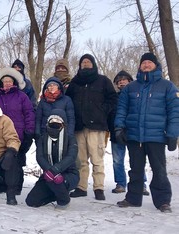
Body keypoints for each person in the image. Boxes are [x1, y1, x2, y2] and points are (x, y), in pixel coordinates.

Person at [115, 53, 179, 213]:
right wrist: (119, 128)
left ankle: (163, 201)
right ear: (139, 66)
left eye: (150, 62)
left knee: (159, 169)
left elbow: (174, 111)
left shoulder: (167, 86)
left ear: (156, 65)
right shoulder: (131, 88)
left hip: (157, 135)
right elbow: (122, 109)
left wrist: (172, 134)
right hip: (134, 136)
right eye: (143, 62)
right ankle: (133, 198)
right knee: (135, 169)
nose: (146, 65)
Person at [66, 54, 117, 201]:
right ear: (80, 65)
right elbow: (68, 101)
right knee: (80, 160)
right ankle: (81, 187)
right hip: (79, 126)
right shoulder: (75, 82)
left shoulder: (103, 81)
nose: (86, 63)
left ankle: (99, 188)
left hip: (97, 126)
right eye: (83, 62)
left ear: (93, 64)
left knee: (97, 159)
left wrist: (102, 110)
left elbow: (113, 99)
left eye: (88, 61)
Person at [0, 67, 35, 194]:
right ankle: (3, 184)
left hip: (18, 133)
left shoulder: (22, 96)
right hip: (0, 133)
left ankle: (16, 186)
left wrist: (29, 130)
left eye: (10, 81)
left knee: (17, 160)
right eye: (5, 81)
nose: (7, 83)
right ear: (1, 83)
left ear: (14, 82)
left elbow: (29, 113)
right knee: (2, 159)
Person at [26, 109, 79, 210]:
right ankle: (57, 194)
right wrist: (49, 170)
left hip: (69, 174)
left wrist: (55, 170)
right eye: (52, 121)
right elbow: (40, 157)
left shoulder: (70, 138)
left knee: (55, 180)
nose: (54, 124)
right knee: (31, 201)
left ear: (63, 124)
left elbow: (71, 156)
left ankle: (64, 200)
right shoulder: (42, 138)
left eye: (58, 122)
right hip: (48, 175)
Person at [109, 70, 149, 195]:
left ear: (130, 81)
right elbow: (109, 114)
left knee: (137, 160)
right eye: (119, 81)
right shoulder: (113, 97)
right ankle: (121, 184)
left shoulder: (137, 95)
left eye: (124, 80)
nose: (121, 82)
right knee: (117, 161)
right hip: (117, 133)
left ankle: (141, 184)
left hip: (133, 132)